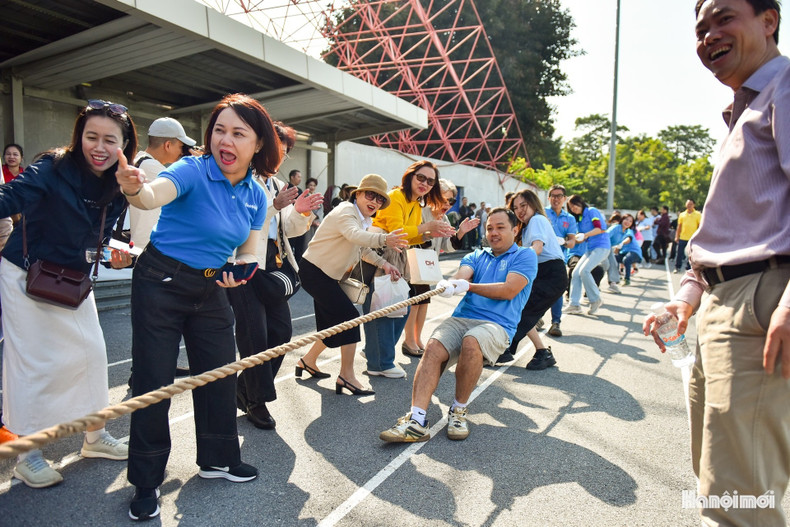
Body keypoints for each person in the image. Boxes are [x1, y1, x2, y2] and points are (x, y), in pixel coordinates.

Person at [643, 1, 790, 525]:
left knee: (741, 501)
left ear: (769, 20)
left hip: (763, 300)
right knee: (720, 489)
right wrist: (687, 298)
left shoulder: (784, 88)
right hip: (722, 305)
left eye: (724, 18)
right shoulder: (743, 111)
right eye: (700, 28)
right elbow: (725, 235)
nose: (708, 35)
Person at [116, 93, 274, 521]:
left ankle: (218, 459)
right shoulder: (192, 168)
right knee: (153, 380)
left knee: (220, 372)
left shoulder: (257, 194)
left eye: (238, 133)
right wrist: (134, 188)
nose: (226, 139)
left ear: (257, 144)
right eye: (219, 130)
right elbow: (151, 196)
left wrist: (241, 270)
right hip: (160, 281)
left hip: (210, 290)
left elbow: (250, 251)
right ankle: (146, 481)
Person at [0, 99, 137, 489]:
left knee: (91, 354)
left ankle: (95, 437)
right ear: (78, 138)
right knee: (31, 365)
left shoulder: (120, 181)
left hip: (72, 278)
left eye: (110, 140)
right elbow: (10, 199)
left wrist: (115, 254)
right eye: (91, 136)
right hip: (25, 275)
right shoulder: (52, 166)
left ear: (124, 144)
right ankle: (28, 456)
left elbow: (100, 236)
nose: (99, 146)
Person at [379, 208, 537, 442]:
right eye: (490, 228)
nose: (493, 232)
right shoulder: (476, 255)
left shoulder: (525, 255)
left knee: (472, 341)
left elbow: (508, 290)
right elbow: (462, 275)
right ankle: (416, 421)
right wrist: (451, 284)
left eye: (500, 227)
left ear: (515, 230)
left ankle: (458, 411)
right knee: (432, 347)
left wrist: (468, 287)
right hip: (462, 318)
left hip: (498, 324)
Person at [227, 121, 322, 430]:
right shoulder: (241, 177)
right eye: (278, 147)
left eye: (287, 149)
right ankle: (257, 400)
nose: (282, 153)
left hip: (272, 262)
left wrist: (301, 212)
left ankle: (244, 389)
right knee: (254, 335)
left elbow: (287, 229)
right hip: (243, 260)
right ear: (260, 145)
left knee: (280, 334)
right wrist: (273, 206)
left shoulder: (277, 184)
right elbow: (240, 223)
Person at [297, 174, 407, 395]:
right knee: (349, 320)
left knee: (333, 324)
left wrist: (385, 264)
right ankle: (347, 376)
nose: (374, 202)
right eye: (370, 195)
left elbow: (362, 248)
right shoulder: (346, 212)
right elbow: (354, 236)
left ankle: (307, 361)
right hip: (315, 271)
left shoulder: (362, 219)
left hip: (325, 275)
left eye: (379, 199)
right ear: (358, 195)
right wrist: (385, 240)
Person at [362, 160, 454, 378]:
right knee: (383, 310)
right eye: (421, 177)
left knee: (397, 310)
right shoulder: (396, 197)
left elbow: (413, 235)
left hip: (399, 260)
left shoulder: (416, 203)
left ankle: (379, 358)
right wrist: (426, 228)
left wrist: (431, 233)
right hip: (381, 257)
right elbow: (397, 232)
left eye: (430, 181)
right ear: (410, 176)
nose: (425, 183)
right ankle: (380, 362)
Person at [402, 178, 479, 357]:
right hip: (413, 263)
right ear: (433, 196)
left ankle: (416, 338)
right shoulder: (420, 212)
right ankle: (409, 340)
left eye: (451, 201)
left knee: (424, 302)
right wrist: (427, 234)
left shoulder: (443, 217)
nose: (448, 204)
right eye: (445, 199)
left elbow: (447, 246)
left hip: (428, 265)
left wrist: (460, 232)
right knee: (414, 303)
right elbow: (412, 235)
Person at [497, 190, 567, 369]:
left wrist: (514, 263)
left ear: (533, 204)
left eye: (523, 205)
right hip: (544, 272)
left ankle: (503, 349)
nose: (519, 210)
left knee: (521, 309)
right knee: (521, 309)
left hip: (551, 273)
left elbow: (537, 248)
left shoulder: (536, 220)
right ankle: (542, 352)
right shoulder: (528, 225)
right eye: (515, 208)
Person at [129, 117, 196, 248]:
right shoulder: (151, 167)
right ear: (168, 145)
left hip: (138, 244)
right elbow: (189, 195)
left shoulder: (139, 160)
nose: (182, 152)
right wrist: (196, 163)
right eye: (181, 147)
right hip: (144, 249)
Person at [563, 195, 610, 316]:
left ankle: (595, 299)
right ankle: (574, 304)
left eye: (575, 204)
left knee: (585, 271)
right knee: (576, 273)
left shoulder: (591, 211)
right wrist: (578, 238)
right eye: (570, 206)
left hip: (602, 246)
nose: (573, 208)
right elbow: (583, 236)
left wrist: (585, 235)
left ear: (581, 202)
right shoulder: (580, 218)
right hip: (590, 248)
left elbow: (599, 228)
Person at [545, 184, 577, 337]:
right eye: (553, 196)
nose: (556, 199)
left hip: (559, 259)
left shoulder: (569, 218)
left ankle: (555, 322)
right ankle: (535, 318)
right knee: (534, 289)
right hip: (540, 257)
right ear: (548, 197)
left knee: (558, 291)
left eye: (559, 196)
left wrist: (563, 242)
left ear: (565, 199)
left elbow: (572, 241)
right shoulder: (542, 213)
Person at [610, 214, 642, 286]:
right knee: (614, 259)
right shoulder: (618, 229)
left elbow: (628, 239)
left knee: (626, 260)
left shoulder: (629, 231)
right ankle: (616, 277)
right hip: (624, 252)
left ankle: (627, 279)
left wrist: (621, 244)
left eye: (630, 221)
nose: (628, 222)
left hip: (635, 252)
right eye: (626, 219)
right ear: (622, 219)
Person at [674, 198, 702, 273]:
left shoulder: (698, 214)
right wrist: (677, 236)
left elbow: (699, 227)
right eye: (688, 204)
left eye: (691, 204)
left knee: (690, 255)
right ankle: (677, 267)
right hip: (683, 237)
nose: (689, 205)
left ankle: (688, 268)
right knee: (679, 253)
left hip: (693, 238)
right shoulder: (682, 214)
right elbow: (679, 226)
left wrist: (699, 237)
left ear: (694, 205)